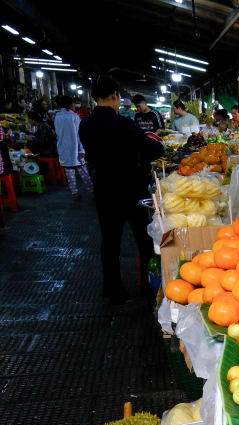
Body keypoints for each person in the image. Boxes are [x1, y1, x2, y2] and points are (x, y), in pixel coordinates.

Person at [80, 76, 164, 303]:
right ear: (115, 96)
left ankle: (113, 289)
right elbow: (152, 149)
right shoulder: (124, 123)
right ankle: (149, 287)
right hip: (131, 186)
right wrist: (154, 148)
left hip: (104, 186)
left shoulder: (86, 124)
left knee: (110, 239)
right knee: (143, 238)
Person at [54, 95, 92, 199]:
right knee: (84, 172)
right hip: (76, 149)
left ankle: (74, 192)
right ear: (70, 105)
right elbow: (79, 135)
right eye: (74, 103)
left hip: (63, 149)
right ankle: (91, 190)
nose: (75, 105)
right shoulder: (74, 117)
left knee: (69, 173)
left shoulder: (57, 116)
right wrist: (82, 149)